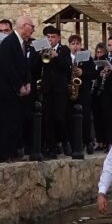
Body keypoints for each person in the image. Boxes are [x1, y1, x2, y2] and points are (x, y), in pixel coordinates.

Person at [0, 15, 35, 161]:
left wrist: (28, 82)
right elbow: (7, 67)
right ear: (24, 26)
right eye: (32, 26)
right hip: (7, 90)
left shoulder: (22, 43)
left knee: (16, 122)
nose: (33, 30)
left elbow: (25, 65)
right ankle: (6, 153)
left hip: (17, 91)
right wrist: (19, 86)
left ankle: (14, 151)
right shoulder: (9, 43)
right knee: (6, 123)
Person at [40, 25, 72, 157]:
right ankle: (51, 147)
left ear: (58, 38)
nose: (50, 39)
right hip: (47, 88)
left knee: (60, 117)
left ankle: (65, 142)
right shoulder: (44, 50)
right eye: (48, 37)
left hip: (60, 89)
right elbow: (38, 66)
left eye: (53, 37)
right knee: (48, 119)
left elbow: (67, 67)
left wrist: (57, 56)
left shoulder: (64, 50)